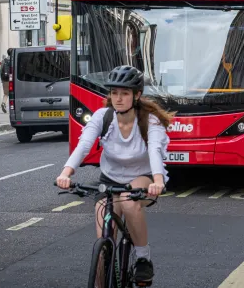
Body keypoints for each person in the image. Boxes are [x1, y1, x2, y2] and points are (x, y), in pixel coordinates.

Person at [55, 65, 172, 285]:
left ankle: (143, 258)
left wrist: (157, 181)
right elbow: (83, 145)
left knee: (128, 203)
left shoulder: (150, 120)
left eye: (125, 93)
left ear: (136, 95)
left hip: (142, 178)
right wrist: (66, 173)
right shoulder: (103, 116)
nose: (118, 98)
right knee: (103, 249)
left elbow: (155, 150)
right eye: (114, 92)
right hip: (109, 181)